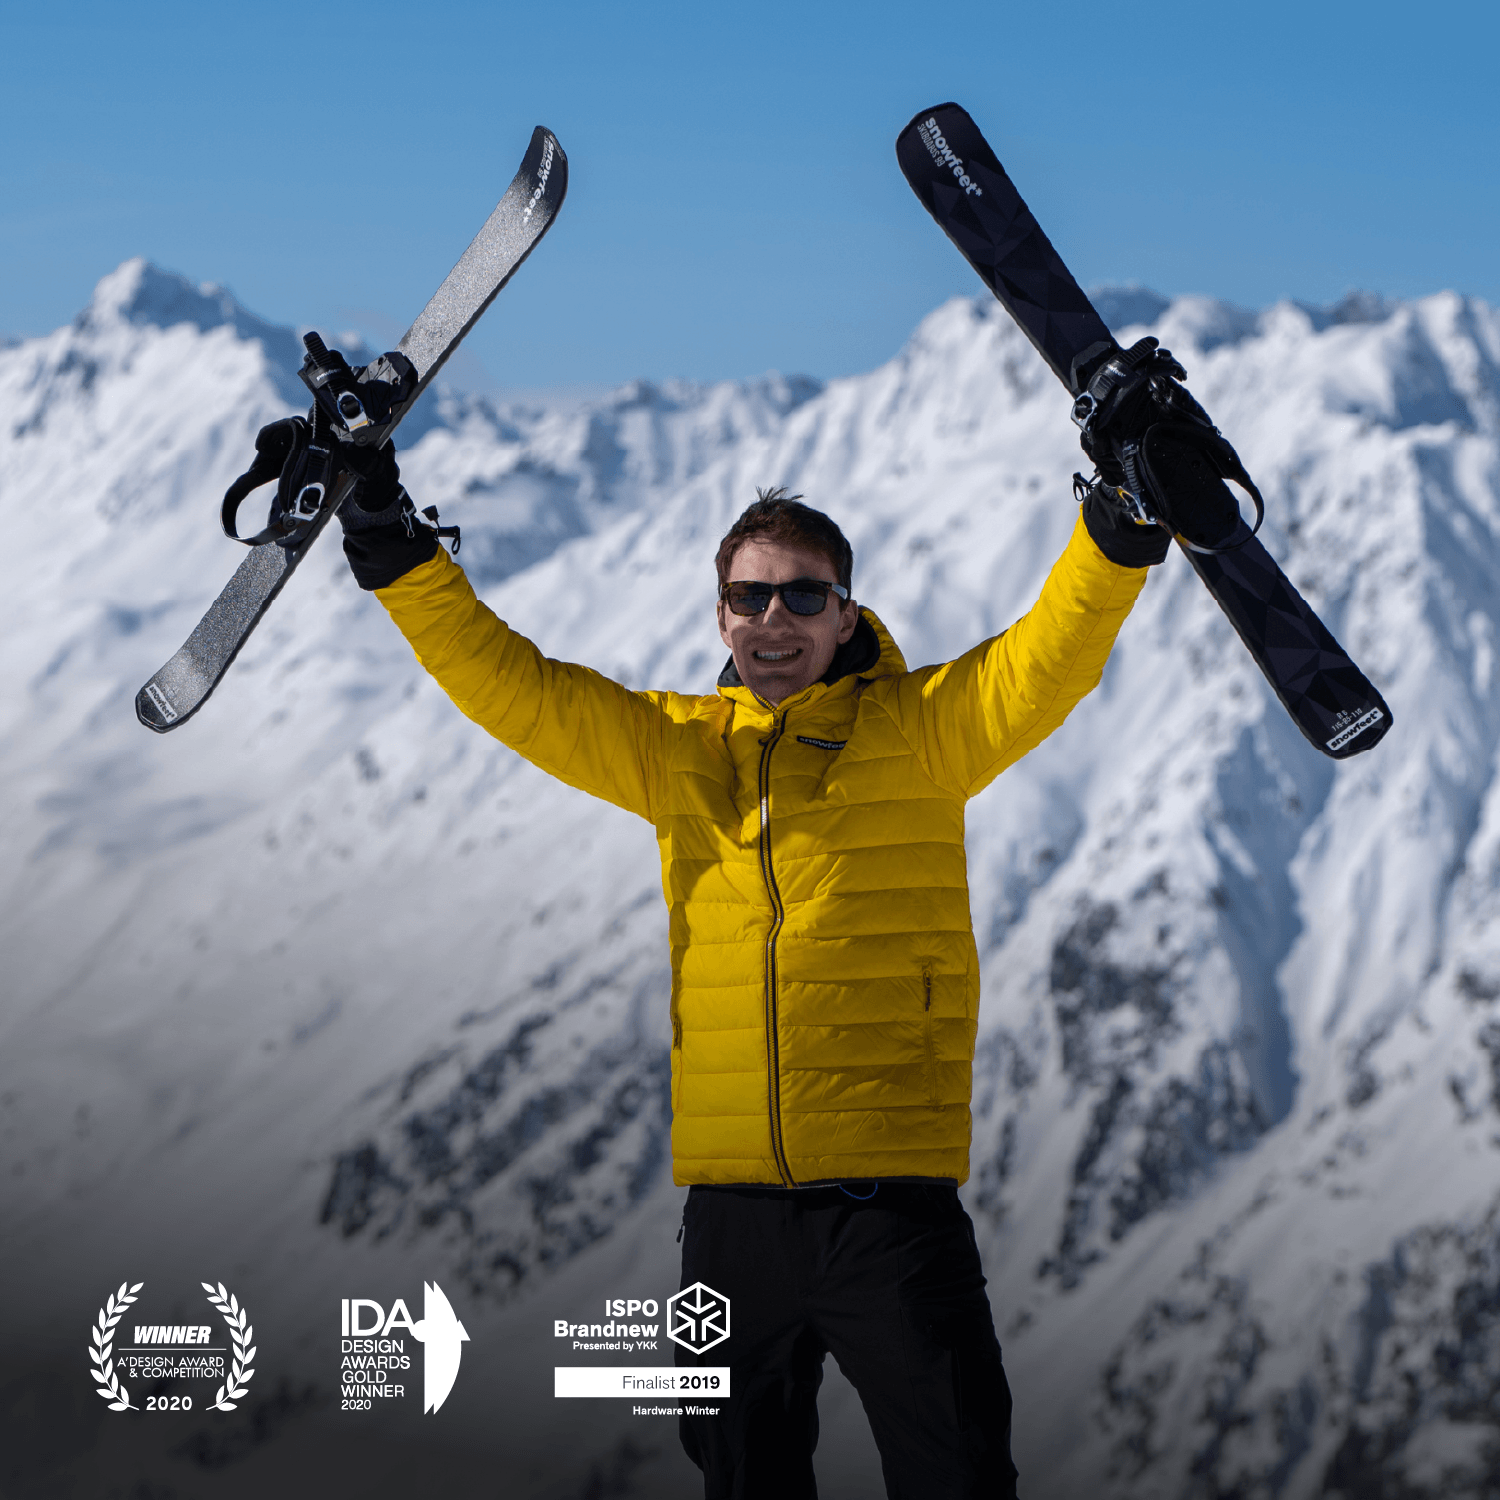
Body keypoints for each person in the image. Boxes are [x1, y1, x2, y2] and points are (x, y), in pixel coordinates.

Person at [334, 436, 1169, 1496]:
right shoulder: (677, 751)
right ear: (721, 617)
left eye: (804, 596)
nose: (775, 619)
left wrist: (1116, 528)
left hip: (888, 1214)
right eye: (750, 597)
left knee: (957, 1470)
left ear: (846, 615)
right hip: (729, 1222)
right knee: (740, 1479)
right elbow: (514, 688)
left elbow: (1049, 656)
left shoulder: (924, 733)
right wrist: (396, 552)